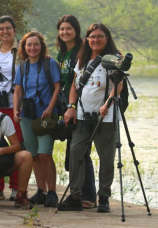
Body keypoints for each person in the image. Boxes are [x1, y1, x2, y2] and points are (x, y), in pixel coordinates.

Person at [58, 23, 125, 213]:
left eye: (99, 36)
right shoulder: (82, 58)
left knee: (106, 158)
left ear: (107, 38)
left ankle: (103, 197)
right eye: (92, 36)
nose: (95, 40)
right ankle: (76, 197)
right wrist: (71, 107)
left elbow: (117, 86)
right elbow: (74, 84)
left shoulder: (114, 59)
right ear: (87, 39)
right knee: (76, 154)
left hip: (106, 117)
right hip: (81, 116)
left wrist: (108, 104)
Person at [13, 31, 61, 207]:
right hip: (27, 116)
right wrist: (15, 110)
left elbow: (57, 87)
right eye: (29, 45)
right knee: (33, 155)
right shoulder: (23, 67)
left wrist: (50, 107)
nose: (32, 48)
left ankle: (52, 193)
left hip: (45, 117)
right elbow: (18, 90)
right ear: (24, 48)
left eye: (36, 44)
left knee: (45, 154)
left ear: (41, 46)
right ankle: (41, 191)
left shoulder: (50, 64)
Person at [56, 14, 97, 209]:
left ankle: (88, 196)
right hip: (68, 106)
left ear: (76, 31)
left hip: (82, 107)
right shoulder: (62, 52)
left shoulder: (83, 50)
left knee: (81, 152)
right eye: (62, 29)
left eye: (69, 29)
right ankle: (78, 194)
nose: (65, 32)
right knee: (73, 153)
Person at [0, 15, 24, 201]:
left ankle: (17, 187)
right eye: (1, 29)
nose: (5, 32)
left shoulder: (21, 50)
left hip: (16, 107)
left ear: (14, 30)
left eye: (8, 28)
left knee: (17, 146)